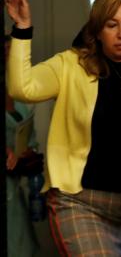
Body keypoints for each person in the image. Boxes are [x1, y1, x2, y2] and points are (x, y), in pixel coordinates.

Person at [6, 0, 121, 256]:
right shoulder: (71, 65)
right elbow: (23, 88)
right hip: (81, 203)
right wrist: (22, 29)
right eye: (112, 25)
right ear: (98, 30)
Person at [5, 33, 43, 257]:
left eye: (13, 53)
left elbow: (31, 142)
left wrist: (30, 156)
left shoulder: (21, 102)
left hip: (16, 188)